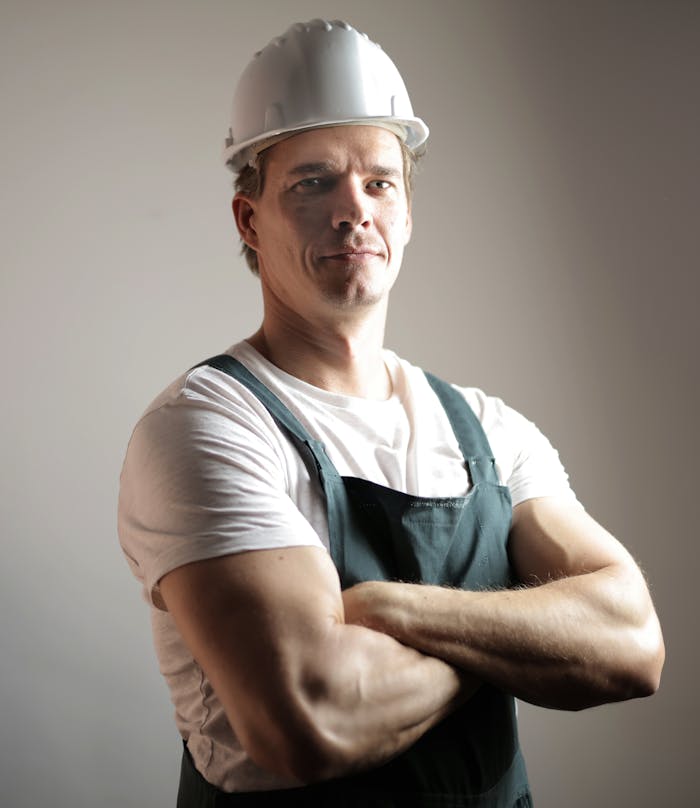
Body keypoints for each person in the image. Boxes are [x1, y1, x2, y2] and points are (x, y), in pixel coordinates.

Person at [118, 19, 664, 807]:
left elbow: (634, 645)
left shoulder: (488, 430)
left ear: (406, 213)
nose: (354, 210)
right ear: (250, 221)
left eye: (379, 182)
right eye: (312, 183)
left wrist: (385, 608)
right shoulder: (205, 428)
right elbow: (310, 718)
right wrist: (525, 641)